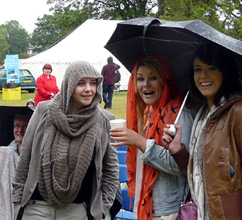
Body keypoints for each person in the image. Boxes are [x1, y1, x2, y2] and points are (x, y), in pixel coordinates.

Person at [163, 44, 242, 220]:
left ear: (225, 72)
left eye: (211, 68)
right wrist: (180, 153)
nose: (203, 76)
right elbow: (199, 178)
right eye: (197, 69)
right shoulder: (202, 115)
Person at [13, 61, 119, 220]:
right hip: (36, 209)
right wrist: (17, 201)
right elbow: (25, 158)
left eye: (93, 83)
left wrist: (102, 209)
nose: (88, 89)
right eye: (81, 83)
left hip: (79, 210)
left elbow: (111, 171)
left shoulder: (104, 120)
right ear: (69, 85)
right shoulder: (44, 111)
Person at [110, 55, 195, 220]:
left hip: (170, 211)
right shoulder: (150, 112)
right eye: (140, 79)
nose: (145, 84)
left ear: (165, 80)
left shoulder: (180, 114)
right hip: (148, 206)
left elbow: (181, 166)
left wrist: (140, 142)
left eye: (153, 78)